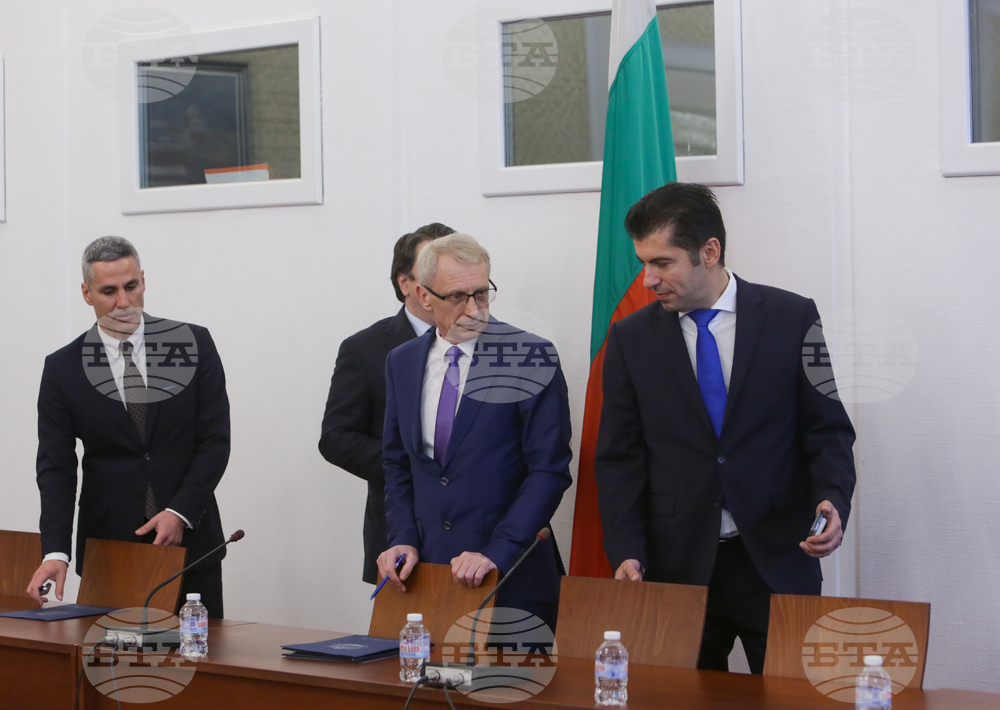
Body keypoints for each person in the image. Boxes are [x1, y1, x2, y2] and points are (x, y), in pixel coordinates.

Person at [594, 182, 856, 673]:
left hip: (778, 558)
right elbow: (619, 458)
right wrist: (626, 549)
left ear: (709, 251)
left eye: (662, 263)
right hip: (676, 566)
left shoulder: (793, 316)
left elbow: (827, 430)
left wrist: (833, 499)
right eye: (643, 262)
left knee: (792, 698)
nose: (648, 279)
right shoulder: (631, 337)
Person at [26, 236, 231, 616]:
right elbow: (56, 467)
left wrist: (179, 512)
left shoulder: (192, 343)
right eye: (109, 291)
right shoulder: (62, 368)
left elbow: (215, 439)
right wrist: (56, 552)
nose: (123, 302)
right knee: (113, 655)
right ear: (87, 293)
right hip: (110, 549)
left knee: (199, 652)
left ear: (143, 281)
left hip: (191, 544)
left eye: (131, 286)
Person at [377, 234, 572, 630]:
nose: (472, 309)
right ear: (423, 295)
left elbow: (549, 470)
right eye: (456, 297)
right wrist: (402, 537)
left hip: (513, 576)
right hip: (426, 577)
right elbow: (397, 464)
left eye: (481, 294)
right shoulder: (402, 361)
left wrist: (496, 551)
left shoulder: (529, 357)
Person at [319, 222, 454, 584]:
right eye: (433, 271)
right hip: (401, 531)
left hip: (477, 536)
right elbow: (336, 439)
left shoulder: (490, 345)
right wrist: (414, 465)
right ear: (405, 283)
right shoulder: (365, 348)